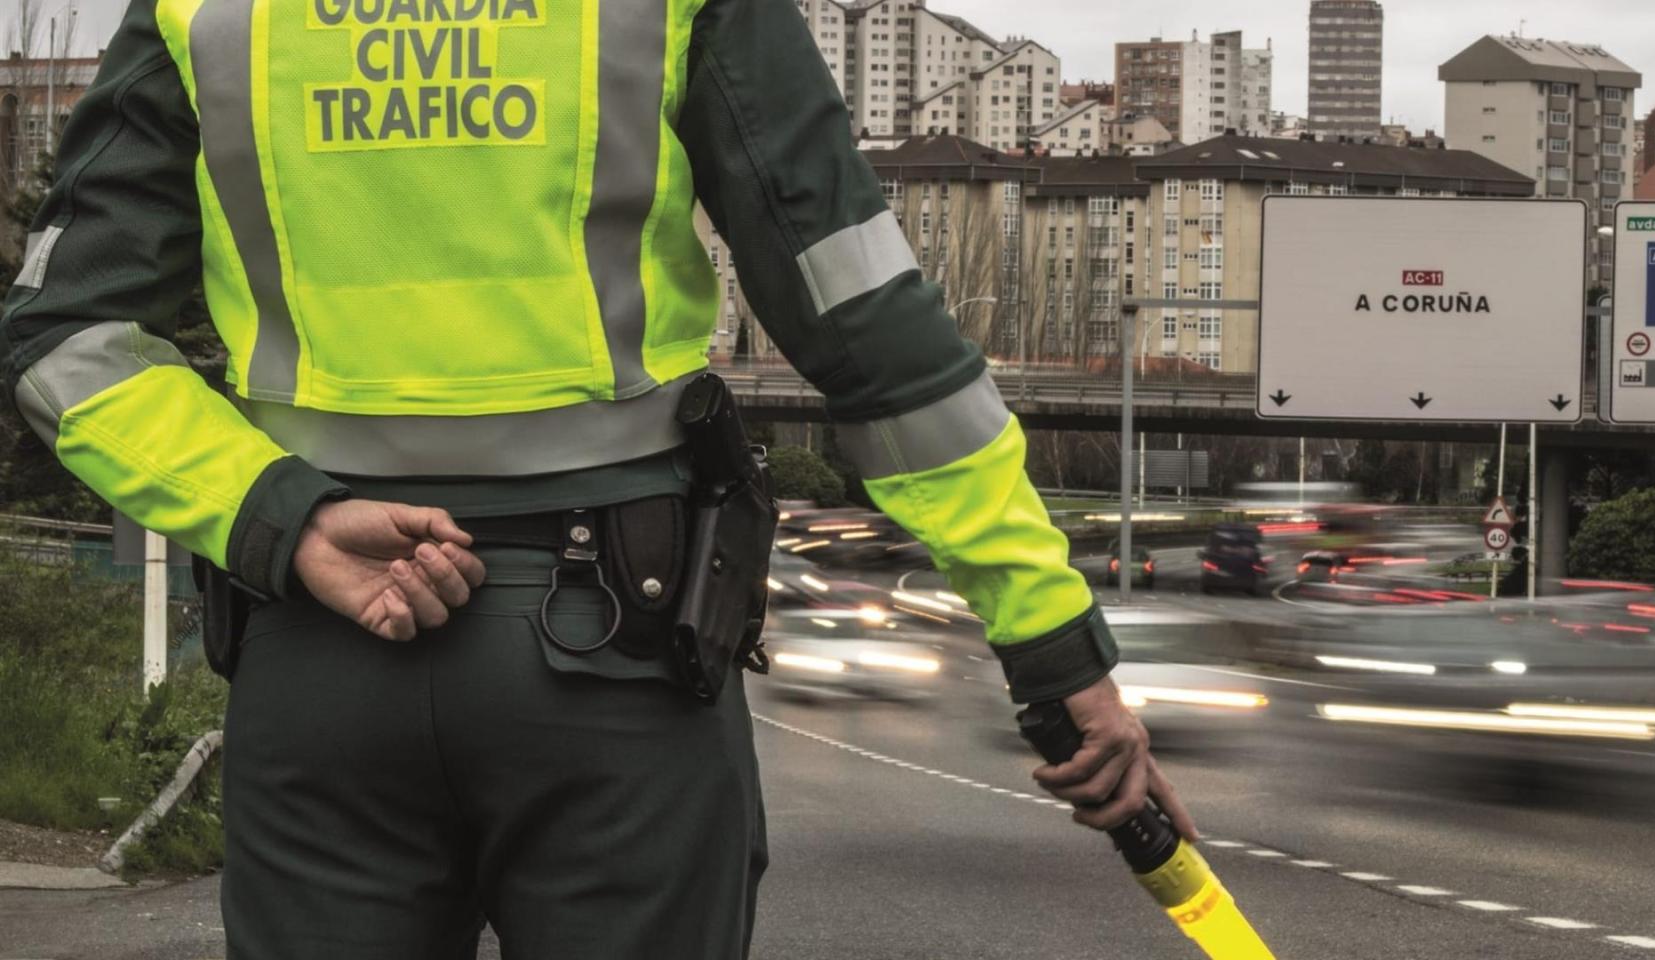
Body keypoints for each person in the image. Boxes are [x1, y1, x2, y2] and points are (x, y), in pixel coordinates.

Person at [0, 0, 1195, 956]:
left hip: (322, 648)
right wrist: (1052, 652)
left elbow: (64, 341)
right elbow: (868, 332)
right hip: (620, 653)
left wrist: (282, 518)